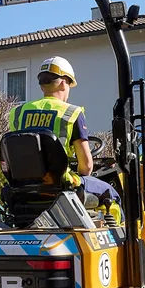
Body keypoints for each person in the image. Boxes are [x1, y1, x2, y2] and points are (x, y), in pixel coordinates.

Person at [7, 56, 120, 207]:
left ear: (42, 86)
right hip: (61, 185)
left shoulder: (18, 112)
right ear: (63, 83)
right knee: (112, 194)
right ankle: (122, 230)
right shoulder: (71, 113)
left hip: (22, 187)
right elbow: (86, 166)